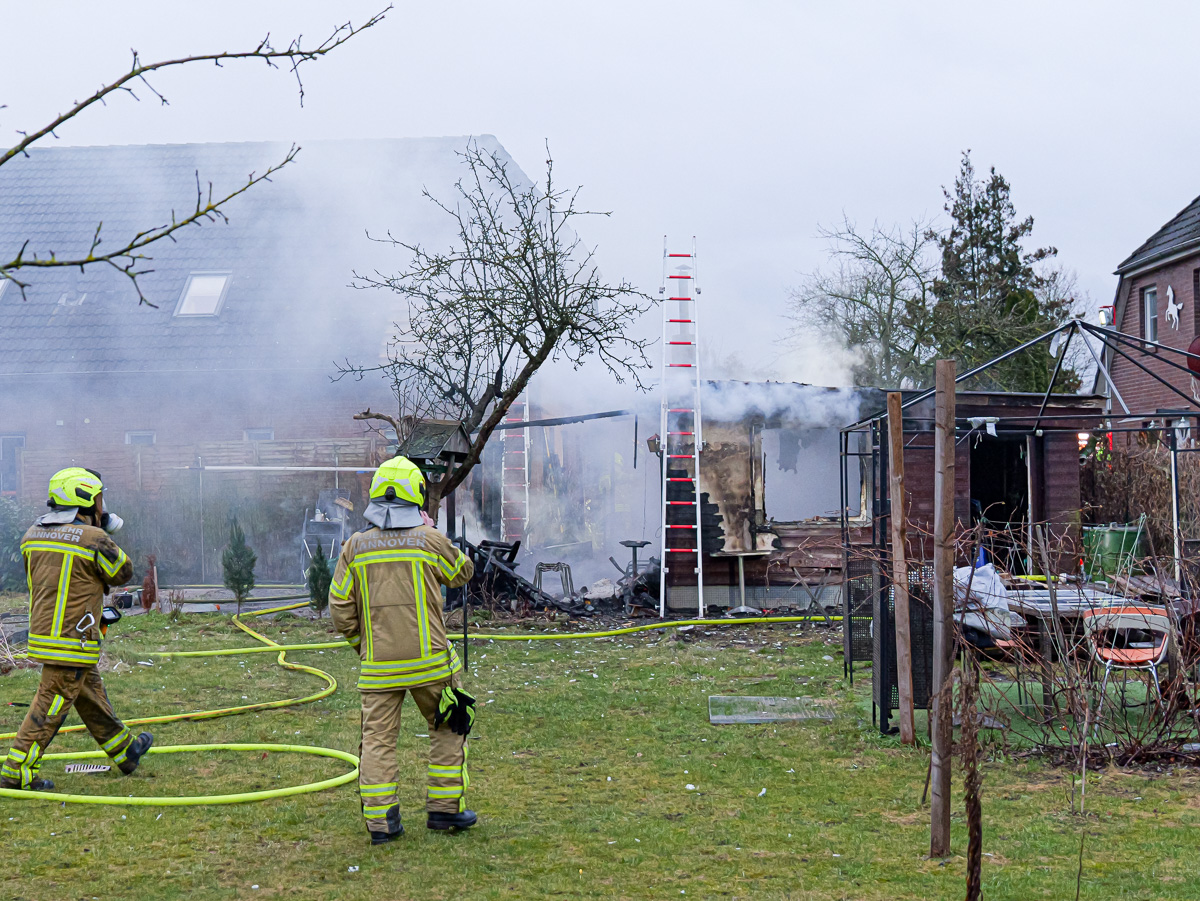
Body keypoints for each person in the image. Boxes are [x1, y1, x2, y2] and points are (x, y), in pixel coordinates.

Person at [330, 456, 477, 844]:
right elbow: (463, 571)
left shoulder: (354, 547)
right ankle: (445, 812)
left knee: (377, 740)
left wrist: (364, 647)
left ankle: (382, 825)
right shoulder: (429, 541)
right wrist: (433, 534)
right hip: (432, 666)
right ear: (418, 497)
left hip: (379, 669)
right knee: (448, 725)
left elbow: (340, 608)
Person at [1, 468, 153, 791]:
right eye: (98, 499)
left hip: (44, 634)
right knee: (52, 702)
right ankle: (17, 769)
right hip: (73, 638)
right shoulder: (94, 540)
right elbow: (122, 572)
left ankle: (125, 751)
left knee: (88, 694)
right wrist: (102, 530)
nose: (101, 506)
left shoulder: (32, 535)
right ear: (85, 499)